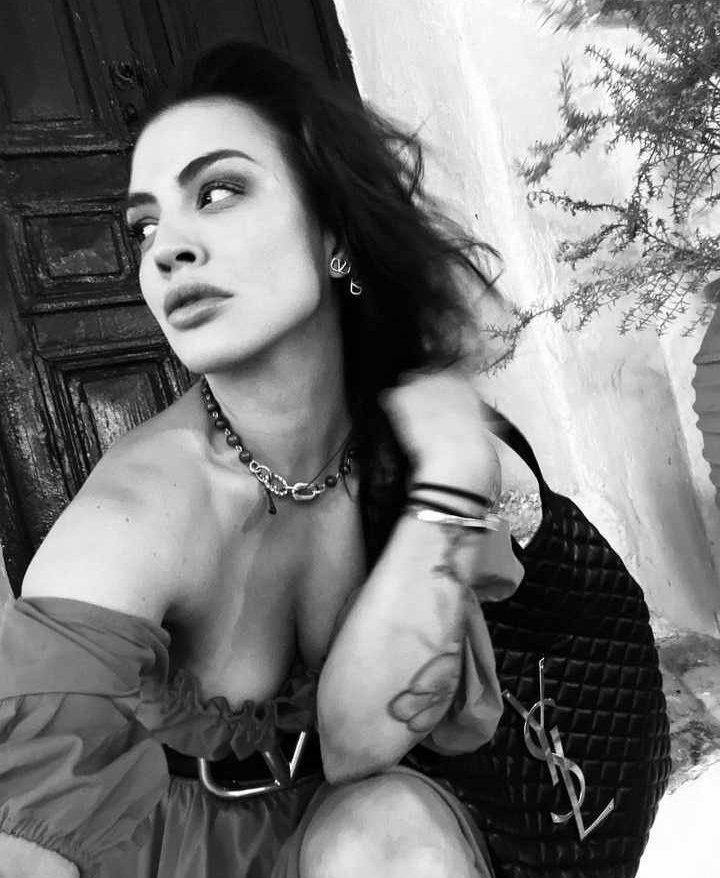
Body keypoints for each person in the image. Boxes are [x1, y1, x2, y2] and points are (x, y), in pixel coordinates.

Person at [0, 42, 525, 878]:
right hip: (174, 854)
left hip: (361, 827)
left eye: (218, 192)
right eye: (144, 226)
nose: (165, 250)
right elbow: (28, 844)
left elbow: (359, 743)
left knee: (388, 834)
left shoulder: (405, 436)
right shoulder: (131, 520)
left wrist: (453, 485)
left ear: (334, 235)